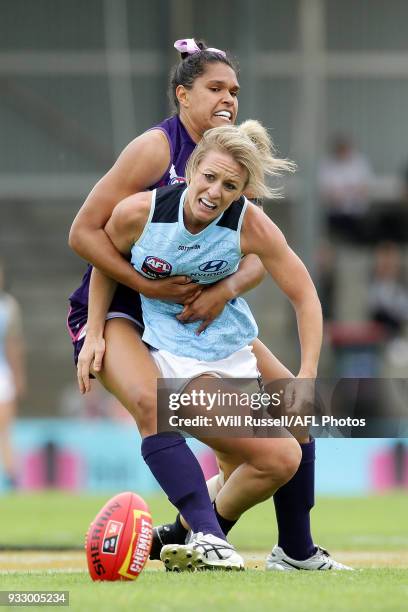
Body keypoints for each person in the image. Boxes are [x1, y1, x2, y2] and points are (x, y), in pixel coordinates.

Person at [69, 38, 349, 571]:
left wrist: (223, 291)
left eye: (234, 90)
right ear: (182, 95)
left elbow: (258, 253)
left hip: (190, 312)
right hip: (124, 303)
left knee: (296, 415)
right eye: (215, 88)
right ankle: (202, 532)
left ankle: (293, 551)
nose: (228, 98)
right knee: (157, 406)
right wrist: (109, 320)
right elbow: (89, 235)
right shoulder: (154, 150)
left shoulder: (234, 158)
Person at [0, 260, 25, 490]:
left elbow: (12, 345)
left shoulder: (8, 306)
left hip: (2, 376)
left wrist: (18, 377)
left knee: (4, 431)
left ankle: (11, 477)